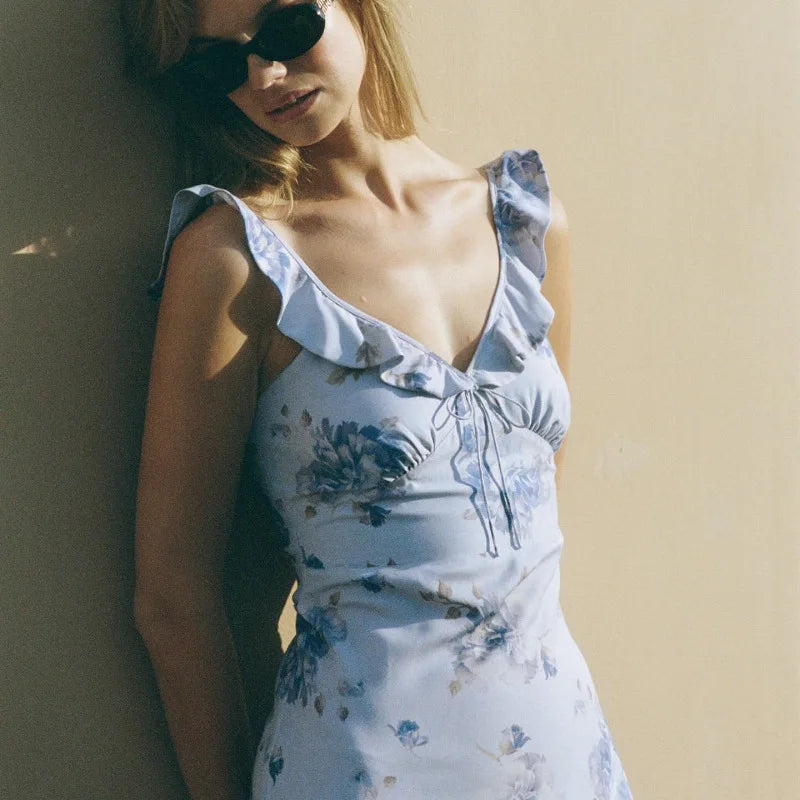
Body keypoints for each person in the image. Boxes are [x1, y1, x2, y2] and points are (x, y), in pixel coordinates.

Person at [123, 1, 634, 798]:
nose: (265, 75)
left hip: (566, 757)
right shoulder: (235, 261)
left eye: (287, 28)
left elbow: (532, 522)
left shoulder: (525, 224)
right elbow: (172, 595)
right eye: (221, 63)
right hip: (358, 770)